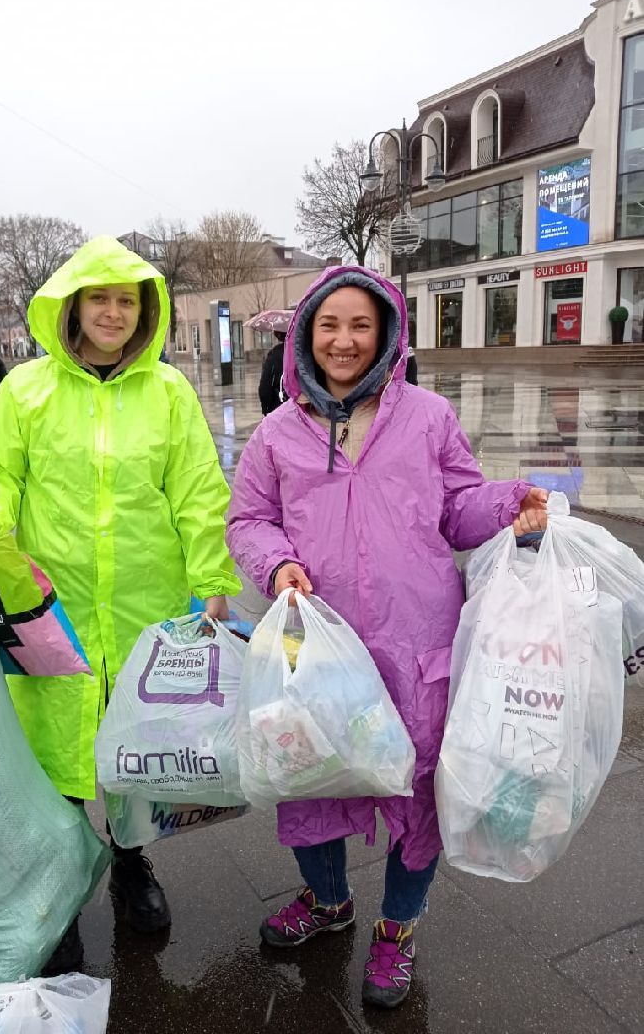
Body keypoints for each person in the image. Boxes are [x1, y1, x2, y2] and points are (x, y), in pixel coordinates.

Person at [226, 265, 547, 1010]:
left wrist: (507, 504)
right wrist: (276, 566)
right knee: (306, 781)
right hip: (317, 647)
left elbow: (460, 507)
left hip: (415, 643)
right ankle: (329, 901)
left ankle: (397, 928)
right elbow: (247, 520)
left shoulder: (428, 417)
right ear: (306, 332)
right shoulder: (276, 433)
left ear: (387, 335)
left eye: (359, 325)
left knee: (417, 792)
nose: (343, 340)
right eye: (328, 324)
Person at [0, 235, 241, 970]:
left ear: (144, 314)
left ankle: (133, 862)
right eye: (99, 298)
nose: (112, 313)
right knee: (55, 745)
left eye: (125, 301)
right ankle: (60, 880)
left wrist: (213, 580)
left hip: (146, 606)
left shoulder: (168, 393)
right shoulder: (26, 391)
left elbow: (198, 492)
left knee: (137, 745)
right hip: (54, 608)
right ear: (71, 307)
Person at [258, 331, 288, 415]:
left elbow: (264, 389)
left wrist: (266, 410)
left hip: (280, 409)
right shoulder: (306, 352)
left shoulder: (274, 355)